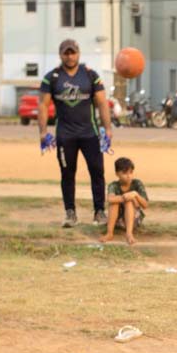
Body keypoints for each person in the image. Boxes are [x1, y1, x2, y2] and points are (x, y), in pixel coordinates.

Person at [39, 39, 115, 228]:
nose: (70, 56)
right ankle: (70, 213)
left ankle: (99, 211)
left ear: (78, 53)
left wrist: (108, 129)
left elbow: (102, 103)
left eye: (73, 52)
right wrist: (42, 132)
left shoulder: (90, 75)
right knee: (67, 174)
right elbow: (43, 105)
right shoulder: (52, 78)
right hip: (65, 136)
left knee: (97, 172)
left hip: (90, 134)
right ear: (60, 55)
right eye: (66, 53)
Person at [100, 157, 148, 246]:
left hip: (134, 219)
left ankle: (129, 234)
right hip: (118, 219)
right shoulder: (114, 185)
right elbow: (110, 199)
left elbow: (145, 205)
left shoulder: (137, 183)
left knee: (129, 203)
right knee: (114, 203)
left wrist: (135, 194)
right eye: (125, 173)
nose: (129, 176)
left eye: (131, 172)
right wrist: (127, 197)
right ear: (117, 174)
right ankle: (109, 233)